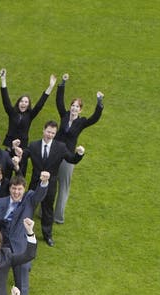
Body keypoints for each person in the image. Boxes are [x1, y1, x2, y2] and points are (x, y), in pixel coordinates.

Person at [20, 121, 85, 246]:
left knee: (48, 209)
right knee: (29, 207)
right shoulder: (34, 145)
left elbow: (72, 159)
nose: (50, 135)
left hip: (50, 184)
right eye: (48, 132)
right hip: (35, 182)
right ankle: (23, 232)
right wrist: (17, 152)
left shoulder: (60, 147)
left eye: (53, 133)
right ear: (43, 130)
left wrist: (79, 154)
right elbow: (23, 155)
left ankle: (47, 235)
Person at [0, 173, 50, 295]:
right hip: (2, 246)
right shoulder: (0, 202)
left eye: (19, 189)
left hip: (21, 247)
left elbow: (39, 195)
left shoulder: (29, 199)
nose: (16, 192)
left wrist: (44, 182)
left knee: (22, 279)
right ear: (10, 188)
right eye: (14, 189)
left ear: (24, 189)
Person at [54, 74, 104, 224]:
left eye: (77, 106)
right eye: (73, 105)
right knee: (49, 183)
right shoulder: (64, 115)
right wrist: (62, 83)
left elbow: (94, 118)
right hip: (55, 152)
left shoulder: (81, 122)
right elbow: (59, 101)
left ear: (80, 110)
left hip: (68, 156)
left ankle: (58, 217)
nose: (74, 108)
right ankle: (44, 212)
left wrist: (99, 102)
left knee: (63, 187)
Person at [0, 69, 57, 150]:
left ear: (28, 104)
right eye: (21, 101)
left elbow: (40, 104)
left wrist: (50, 87)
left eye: (26, 102)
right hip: (10, 145)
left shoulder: (30, 115)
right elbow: (5, 99)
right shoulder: (12, 112)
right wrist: (3, 80)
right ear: (18, 103)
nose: (23, 103)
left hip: (22, 146)